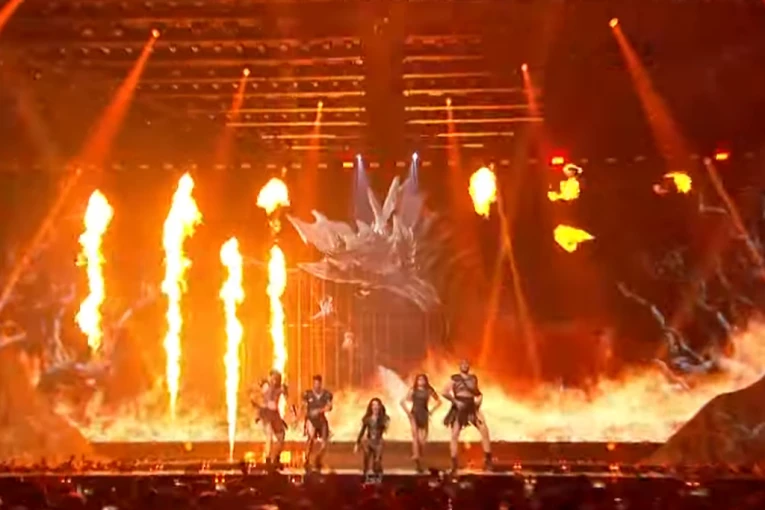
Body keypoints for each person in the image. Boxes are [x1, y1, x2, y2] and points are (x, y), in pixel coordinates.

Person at [442, 360, 492, 473]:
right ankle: (454, 463)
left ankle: (488, 460)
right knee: (455, 434)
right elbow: (444, 392)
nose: (465, 366)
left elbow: (478, 393)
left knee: (484, 430)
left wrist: (479, 401)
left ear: (469, 366)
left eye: (466, 364)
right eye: (463, 364)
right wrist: (455, 402)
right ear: (459, 366)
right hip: (459, 407)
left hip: (471, 406)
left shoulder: (473, 378)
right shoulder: (454, 378)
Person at [251, 369, 295, 468]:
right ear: (270, 377)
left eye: (277, 378)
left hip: (275, 414)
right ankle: (267, 459)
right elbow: (255, 394)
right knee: (269, 435)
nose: (275, 380)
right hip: (266, 413)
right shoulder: (265, 386)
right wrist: (257, 409)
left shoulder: (280, 388)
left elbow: (287, 397)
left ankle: (276, 457)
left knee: (281, 437)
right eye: (273, 378)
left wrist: (292, 409)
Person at [400, 373, 441, 473]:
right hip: (414, 414)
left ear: (426, 381)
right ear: (416, 381)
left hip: (424, 414)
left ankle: (419, 453)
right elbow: (403, 402)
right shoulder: (413, 390)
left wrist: (432, 411)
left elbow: (439, 401)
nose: (421, 381)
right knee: (415, 436)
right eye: (419, 379)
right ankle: (416, 456)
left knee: (423, 440)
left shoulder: (429, 390)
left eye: (423, 379)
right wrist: (408, 413)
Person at [301, 374, 333, 471]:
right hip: (311, 419)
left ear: (321, 384)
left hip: (321, 420)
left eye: (318, 383)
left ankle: (317, 459)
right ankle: (306, 458)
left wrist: (319, 411)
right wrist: (302, 416)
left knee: (324, 444)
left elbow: (329, 407)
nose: (316, 386)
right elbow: (303, 407)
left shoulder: (326, 394)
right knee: (311, 438)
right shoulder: (307, 394)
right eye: (315, 383)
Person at [354, 397, 389, 478]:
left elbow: (385, 427)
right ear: (371, 407)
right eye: (373, 405)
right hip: (369, 441)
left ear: (380, 406)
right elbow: (362, 431)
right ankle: (365, 475)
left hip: (378, 442)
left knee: (377, 461)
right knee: (366, 457)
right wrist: (357, 443)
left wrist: (383, 420)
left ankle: (378, 475)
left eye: (377, 405)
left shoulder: (383, 419)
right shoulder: (367, 419)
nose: (375, 407)